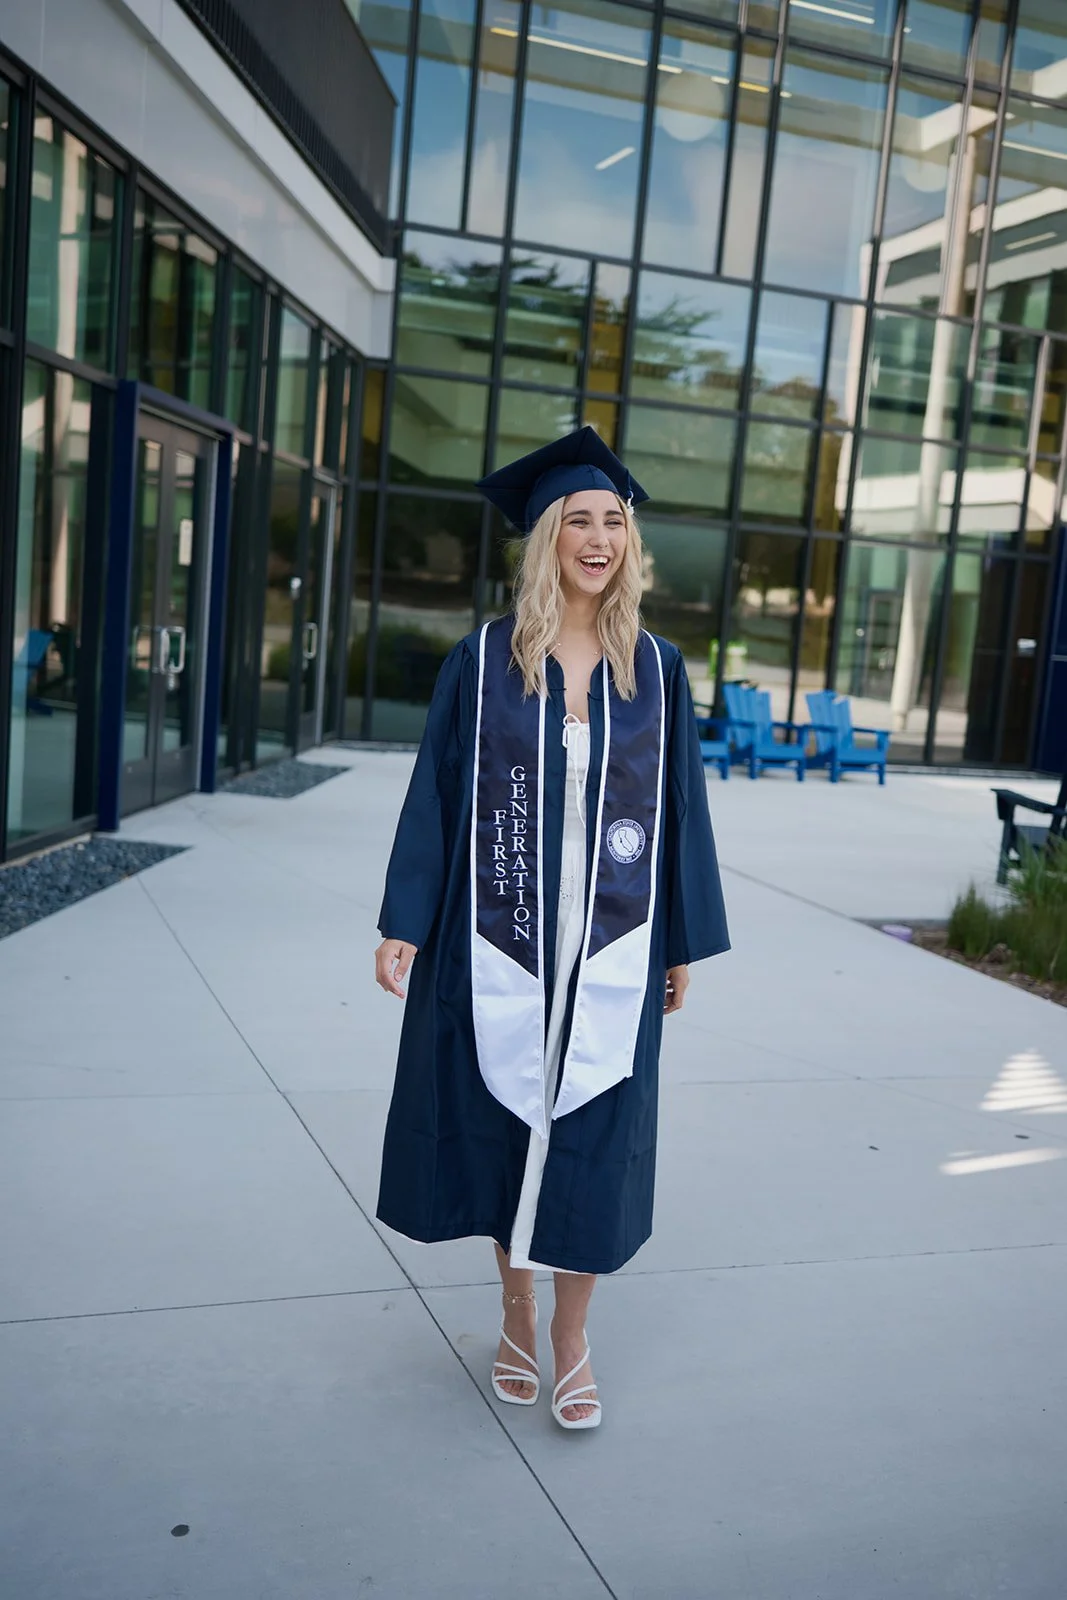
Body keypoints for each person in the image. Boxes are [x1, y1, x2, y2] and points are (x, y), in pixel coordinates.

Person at [374, 427, 729, 1431]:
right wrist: (405, 919)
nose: (598, 536)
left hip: (610, 946)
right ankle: (516, 1313)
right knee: (502, 1125)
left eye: (613, 520)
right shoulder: (486, 660)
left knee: (591, 1135)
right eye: (578, 518)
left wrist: (676, 941)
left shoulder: (654, 670)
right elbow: (437, 795)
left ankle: (572, 1335)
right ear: (545, 537)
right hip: (500, 938)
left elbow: (683, 812)